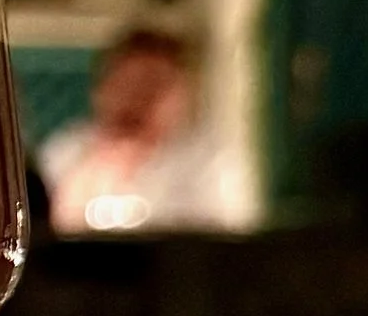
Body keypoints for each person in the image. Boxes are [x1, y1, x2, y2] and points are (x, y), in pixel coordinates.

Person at [40, 28, 237, 235]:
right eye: (127, 83)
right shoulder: (63, 154)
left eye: (154, 84)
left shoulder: (209, 166)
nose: (139, 98)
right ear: (101, 89)